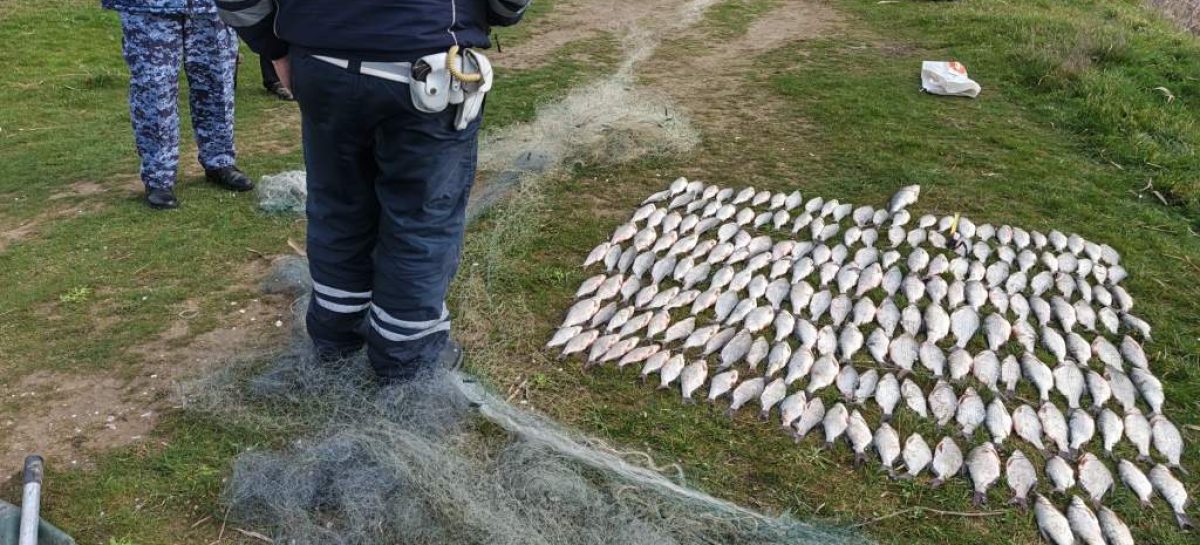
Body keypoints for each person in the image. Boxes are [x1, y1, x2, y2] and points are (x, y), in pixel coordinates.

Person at [217, 0, 532, 382]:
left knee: (338, 206)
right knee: (420, 219)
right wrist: (501, 13)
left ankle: (336, 336)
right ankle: (406, 354)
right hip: (422, 65)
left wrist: (273, 47)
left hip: (322, 61)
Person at [103, 0, 255, 209]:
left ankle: (219, 162)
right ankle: (158, 178)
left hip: (211, 7)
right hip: (149, 8)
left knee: (217, 83)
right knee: (155, 90)